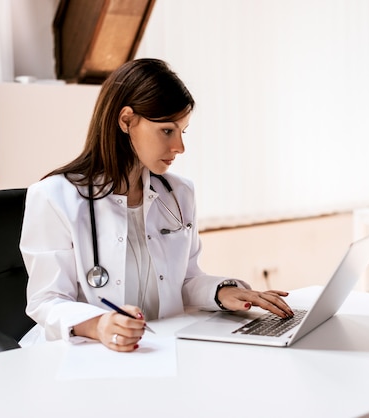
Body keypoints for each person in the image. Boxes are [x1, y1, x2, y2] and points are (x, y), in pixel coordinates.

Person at [19, 58, 293, 352]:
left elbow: (185, 280)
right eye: (167, 131)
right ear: (126, 121)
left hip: (157, 347)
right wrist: (99, 324)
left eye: (182, 132)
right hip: (80, 354)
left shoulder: (179, 193)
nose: (179, 147)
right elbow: (46, 301)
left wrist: (222, 292)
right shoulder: (54, 197)